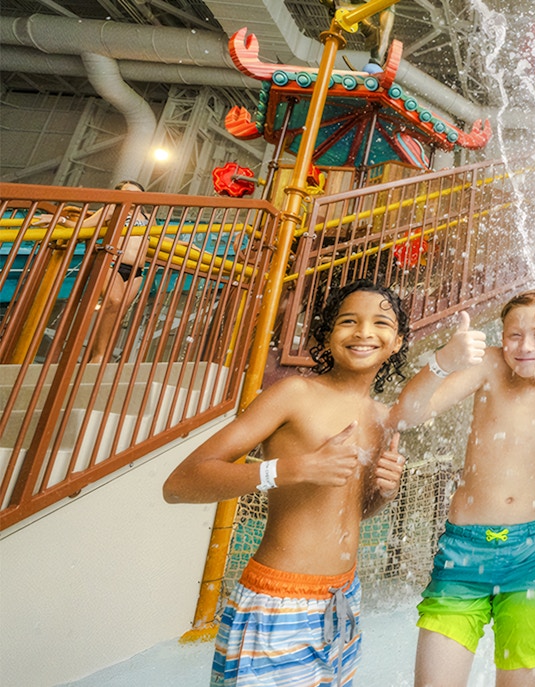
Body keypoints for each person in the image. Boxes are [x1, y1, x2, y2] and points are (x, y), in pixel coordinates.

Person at [162, 280, 481, 686]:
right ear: (327, 336)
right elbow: (180, 483)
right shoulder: (294, 395)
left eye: (380, 323)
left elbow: (351, 512)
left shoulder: (382, 418)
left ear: (398, 341)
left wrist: (383, 492)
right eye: (349, 321)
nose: (364, 332)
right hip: (279, 602)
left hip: (343, 601)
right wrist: (295, 468)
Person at [390, 289, 535, 687]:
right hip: (464, 551)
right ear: (501, 337)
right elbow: (407, 415)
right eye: (514, 335)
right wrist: (441, 363)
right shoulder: (489, 364)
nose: (525, 347)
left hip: (531, 553)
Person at [34, 180, 152, 362]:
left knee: (118, 313)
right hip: (113, 261)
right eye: (127, 192)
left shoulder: (148, 218)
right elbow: (84, 226)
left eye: (137, 193)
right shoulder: (112, 210)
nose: (132, 196)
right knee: (114, 301)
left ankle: (99, 355)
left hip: (137, 271)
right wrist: (60, 219)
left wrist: (188, 245)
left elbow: (160, 239)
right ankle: (98, 356)